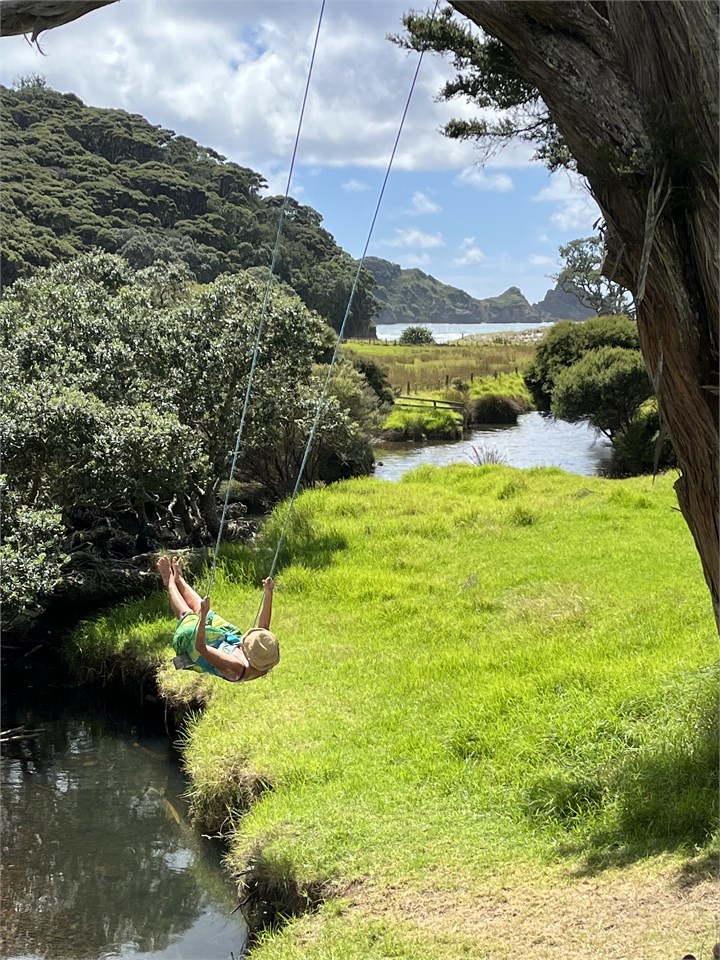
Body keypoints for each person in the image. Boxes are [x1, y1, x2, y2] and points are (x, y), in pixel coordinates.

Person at [157, 556, 279, 683]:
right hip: (229, 639)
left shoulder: (236, 667)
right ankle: (179, 580)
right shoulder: (264, 655)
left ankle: (169, 581)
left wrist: (202, 618)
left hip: (203, 650)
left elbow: (201, 647)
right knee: (205, 610)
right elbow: (264, 627)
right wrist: (269, 593)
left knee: (188, 616)